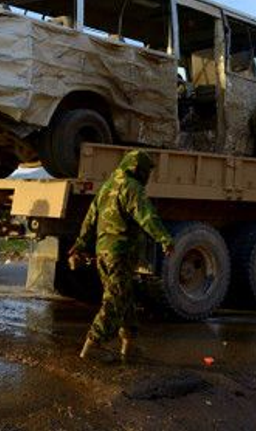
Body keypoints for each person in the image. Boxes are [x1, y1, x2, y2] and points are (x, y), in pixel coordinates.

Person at [68, 150, 174, 362]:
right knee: (115, 300)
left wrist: (79, 246)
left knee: (124, 298)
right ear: (139, 169)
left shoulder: (107, 187)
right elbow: (147, 216)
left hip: (103, 253)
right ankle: (89, 349)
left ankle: (128, 346)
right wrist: (165, 239)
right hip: (121, 253)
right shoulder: (132, 188)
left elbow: (89, 220)